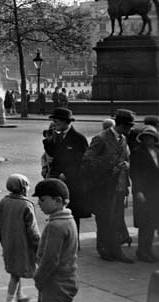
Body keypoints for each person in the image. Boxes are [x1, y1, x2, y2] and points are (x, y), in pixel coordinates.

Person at [32, 179, 78, 302]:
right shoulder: (67, 220)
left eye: (42, 200)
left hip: (57, 282)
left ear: (57, 200)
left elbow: (51, 260)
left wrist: (38, 278)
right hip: (65, 279)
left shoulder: (55, 226)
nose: (39, 204)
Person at [82, 109, 134, 263]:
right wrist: (112, 166)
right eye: (128, 126)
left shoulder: (123, 138)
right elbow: (87, 161)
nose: (130, 129)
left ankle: (116, 251)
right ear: (121, 125)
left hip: (119, 187)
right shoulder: (101, 138)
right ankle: (104, 249)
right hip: (104, 187)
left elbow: (125, 157)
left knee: (116, 220)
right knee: (104, 219)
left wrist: (126, 165)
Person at [0, 174, 40, 302]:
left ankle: (20, 296)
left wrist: (3, 240)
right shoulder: (26, 205)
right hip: (23, 245)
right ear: (23, 188)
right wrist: (38, 246)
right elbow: (33, 230)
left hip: (9, 243)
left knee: (15, 270)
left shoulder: (3, 202)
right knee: (16, 274)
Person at [43, 108, 89, 236]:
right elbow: (51, 154)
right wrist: (49, 139)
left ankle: (74, 241)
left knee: (72, 214)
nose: (54, 123)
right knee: (57, 212)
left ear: (65, 122)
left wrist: (67, 174)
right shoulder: (56, 137)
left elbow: (83, 161)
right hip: (58, 181)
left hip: (71, 183)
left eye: (56, 121)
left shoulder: (78, 138)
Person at [129, 125, 159, 262]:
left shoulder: (157, 151)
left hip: (155, 192)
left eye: (151, 138)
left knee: (152, 222)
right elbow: (135, 174)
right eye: (146, 137)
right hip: (145, 192)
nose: (149, 140)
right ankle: (142, 251)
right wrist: (138, 191)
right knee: (145, 223)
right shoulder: (137, 152)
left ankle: (148, 249)